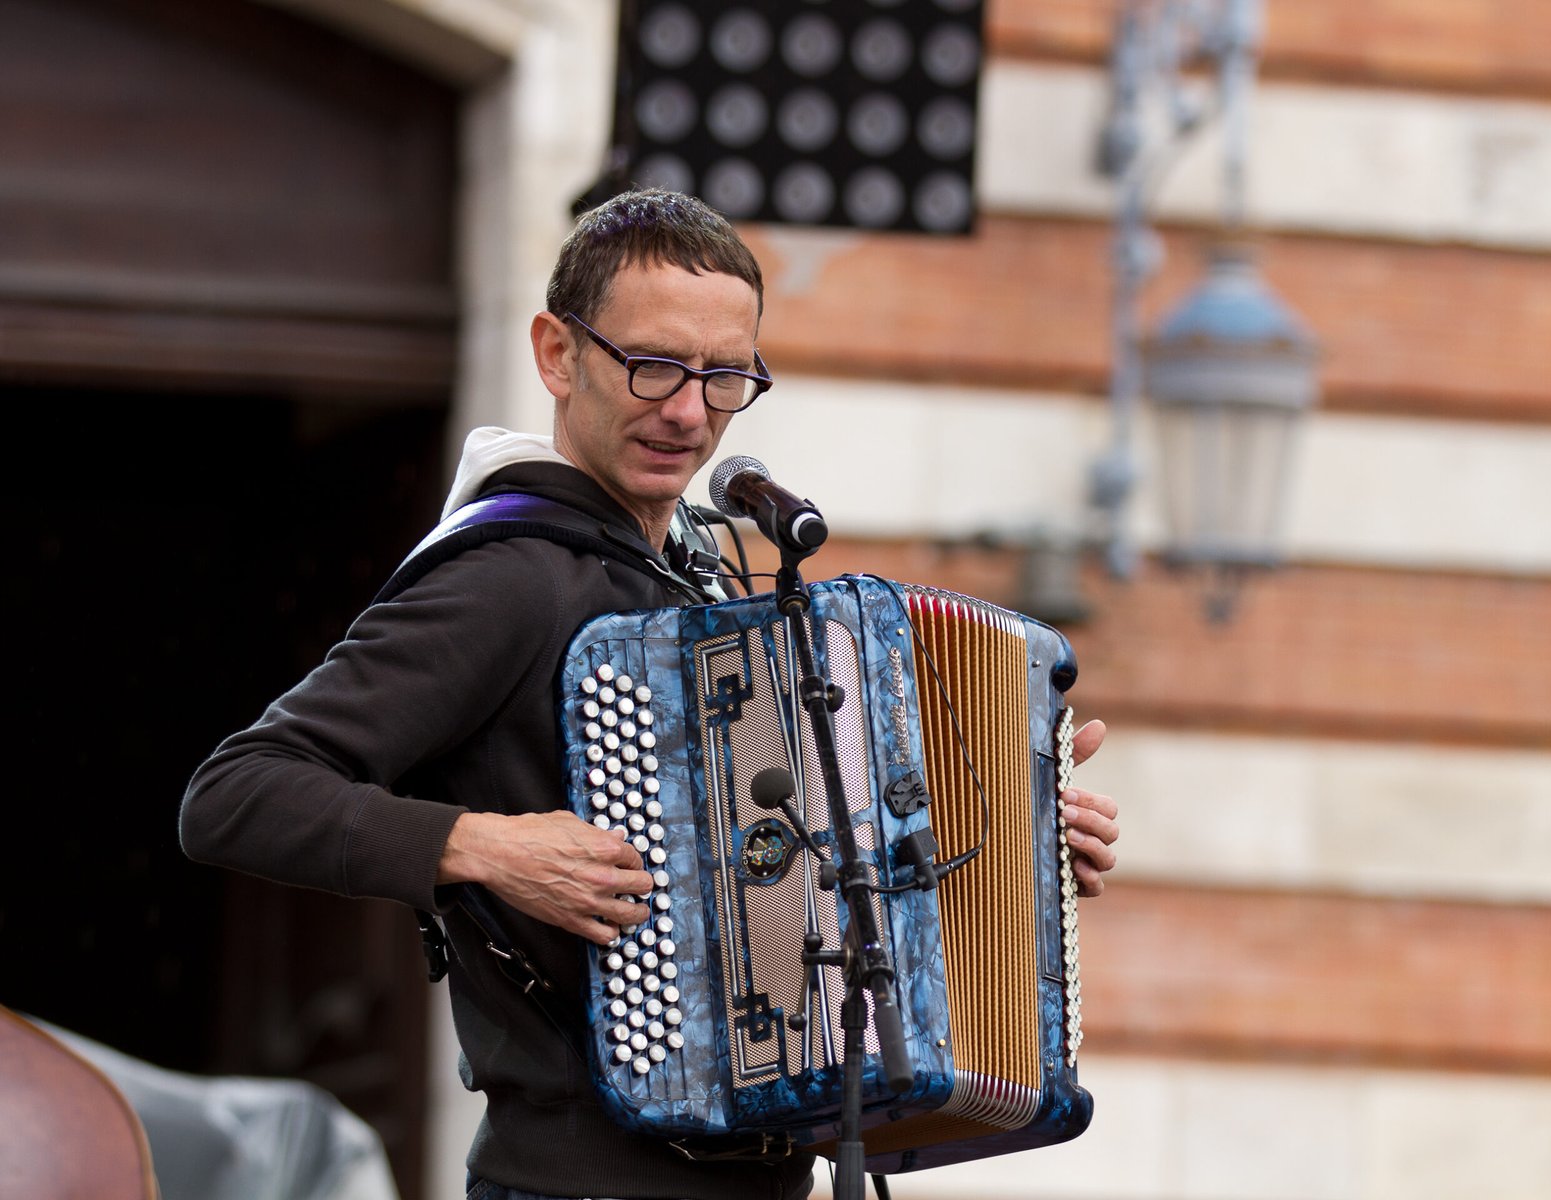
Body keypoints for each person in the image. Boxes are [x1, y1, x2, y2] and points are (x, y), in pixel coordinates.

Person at [179, 188, 1121, 1200]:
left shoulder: (700, 582)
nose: (687, 411)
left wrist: (1011, 836)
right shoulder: (509, 576)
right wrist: (483, 848)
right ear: (556, 353)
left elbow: (788, 866)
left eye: (723, 378)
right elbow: (237, 794)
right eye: (654, 365)